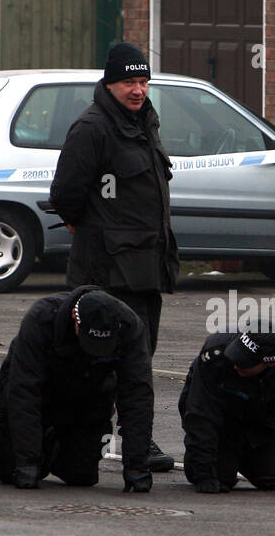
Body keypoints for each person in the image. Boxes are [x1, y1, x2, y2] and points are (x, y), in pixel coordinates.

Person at [49, 42, 178, 473]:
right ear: (110, 83)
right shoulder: (93, 127)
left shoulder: (145, 124)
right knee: (97, 363)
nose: (138, 90)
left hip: (145, 268)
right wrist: (81, 221)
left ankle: (138, 441)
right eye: (129, 82)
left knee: (140, 361)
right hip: (105, 271)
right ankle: (81, 439)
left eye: (143, 82)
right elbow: (65, 192)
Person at [0, 286, 156, 493]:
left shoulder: (130, 326)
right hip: (40, 394)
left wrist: (137, 466)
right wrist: (27, 461)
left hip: (86, 398)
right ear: (76, 321)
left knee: (81, 476)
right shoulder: (41, 318)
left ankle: (57, 445)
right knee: (8, 471)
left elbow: (138, 396)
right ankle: (39, 443)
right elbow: (23, 391)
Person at [179, 332, 275, 495]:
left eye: (245, 363)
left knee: (270, 478)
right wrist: (204, 472)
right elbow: (199, 414)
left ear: (273, 362)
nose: (236, 365)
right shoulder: (215, 355)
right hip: (222, 426)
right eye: (236, 357)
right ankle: (213, 461)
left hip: (263, 424)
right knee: (218, 476)